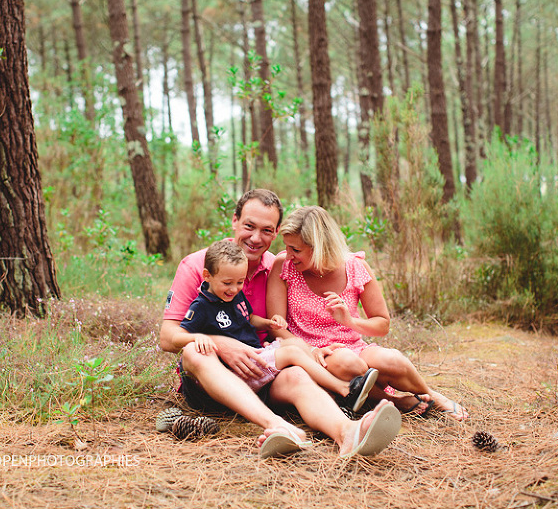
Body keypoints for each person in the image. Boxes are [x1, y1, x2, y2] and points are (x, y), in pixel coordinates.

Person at [159, 189, 401, 458]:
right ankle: (276, 424)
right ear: (234, 220)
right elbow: (167, 337)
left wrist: (312, 349)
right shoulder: (198, 265)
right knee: (195, 351)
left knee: (296, 374)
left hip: (261, 373)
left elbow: (294, 320)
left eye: (266, 230)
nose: (255, 238)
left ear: (275, 233)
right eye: (249, 226)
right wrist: (221, 344)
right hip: (211, 381)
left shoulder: (280, 267)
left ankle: (348, 433)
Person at [266, 205, 469, 421]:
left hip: (354, 346)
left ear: (320, 247)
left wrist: (349, 321)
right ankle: (395, 402)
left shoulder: (355, 266)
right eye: (287, 247)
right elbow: (276, 329)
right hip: (312, 353)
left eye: (296, 250)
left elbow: (382, 324)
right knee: (349, 363)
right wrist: (311, 350)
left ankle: (430, 395)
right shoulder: (283, 266)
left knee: (392, 360)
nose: (289, 255)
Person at [174, 239, 379, 413]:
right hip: (239, 369)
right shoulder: (202, 306)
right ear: (207, 276)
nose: (234, 289)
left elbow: (248, 318)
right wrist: (199, 338)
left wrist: (268, 323)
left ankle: (328, 391)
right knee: (292, 353)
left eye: (239, 282)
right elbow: (179, 336)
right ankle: (344, 390)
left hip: (255, 354)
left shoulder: (234, 296)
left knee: (295, 344)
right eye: (227, 283)